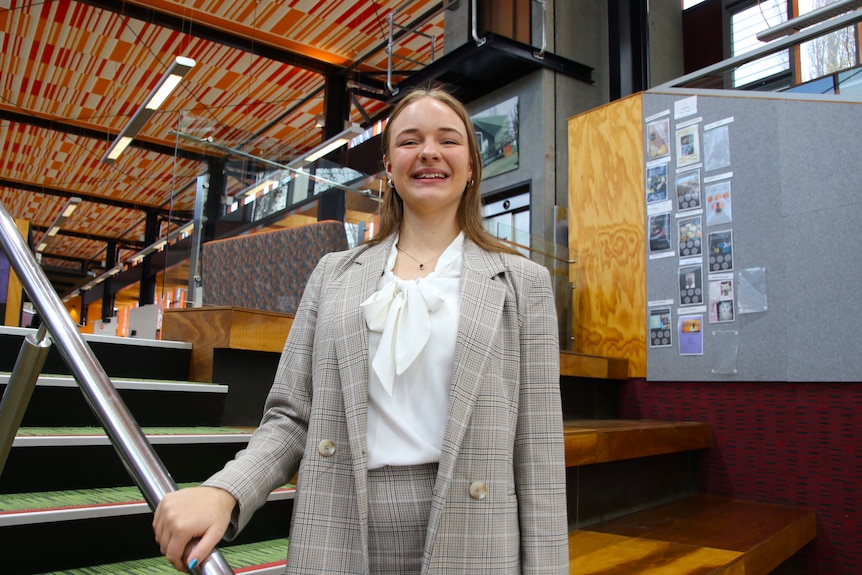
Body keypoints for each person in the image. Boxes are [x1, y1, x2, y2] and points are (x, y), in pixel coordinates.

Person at [153, 86, 569, 575]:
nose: (429, 152)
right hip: (337, 525)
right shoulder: (333, 274)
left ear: (472, 166)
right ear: (389, 167)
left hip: (475, 534)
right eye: (410, 141)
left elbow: (538, 453)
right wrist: (227, 489)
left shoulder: (524, 285)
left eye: (448, 140)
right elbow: (290, 418)